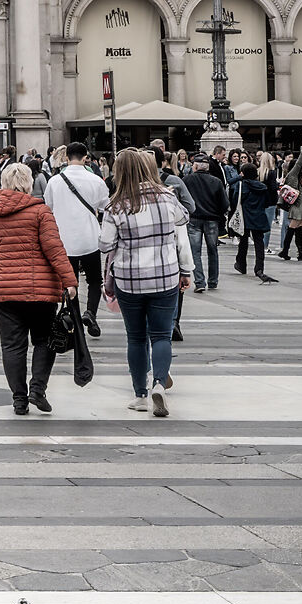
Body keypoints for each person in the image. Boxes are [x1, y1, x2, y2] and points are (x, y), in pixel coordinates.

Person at [0, 159, 76, 415]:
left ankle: (19, 399)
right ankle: (37, 389)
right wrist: (70, 281)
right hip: (40, 290)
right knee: (44, 341)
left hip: (4, 290)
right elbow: (55, 250)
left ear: (4, 183)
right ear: (29, 184)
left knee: (12, 345)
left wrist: (3, 247)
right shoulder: (40, 211)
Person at [100, 146, 193, 416]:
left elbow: (105, 245)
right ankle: (159, 384)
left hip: (129, 280)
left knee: (136, 337)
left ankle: (140, 394)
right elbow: (183, 219)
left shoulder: (115, 205)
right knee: (162, 335)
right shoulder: (167, 196)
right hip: (165, 276)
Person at [43, 145, 110, 334]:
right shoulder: (95, 180)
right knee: (95, 280)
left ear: (66, 156)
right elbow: (106, 206)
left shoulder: (55, 181)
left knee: (69, 282)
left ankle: (73, 318)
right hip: (89, 238)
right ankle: (91, 312)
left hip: (64, 240)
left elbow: (48, 207)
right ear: (85, 157)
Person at [179, 152, 228, 293]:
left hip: (194, 218)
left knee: (195, 251)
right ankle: (213, 280)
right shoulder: (216, 181)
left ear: (195, 166)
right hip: (212, 219)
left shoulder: (187, 180)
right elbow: (224, 203)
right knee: (213, 250)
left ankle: (199, 281)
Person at [234, 150, 278, 280]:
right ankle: (259, 268)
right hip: (258, 215)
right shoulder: (262, 187)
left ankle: (241, 263)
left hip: (245, 216)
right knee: (259, 242)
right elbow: (268, 202)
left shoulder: (241, 186)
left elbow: (235, 200)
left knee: (243, 241)